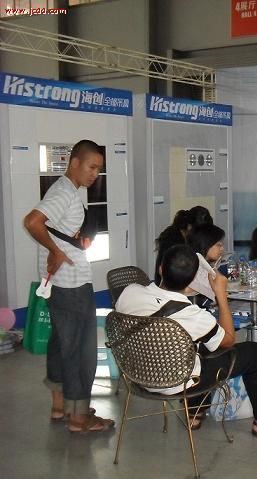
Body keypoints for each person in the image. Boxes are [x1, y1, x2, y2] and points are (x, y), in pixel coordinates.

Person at [116, 245, 257, 436]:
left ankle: (195, 412)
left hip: (137, 375)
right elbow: (227, 341)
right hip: (176, 383)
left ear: (161, 268)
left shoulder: (129, 292)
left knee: (199, 347)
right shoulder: (191, 315)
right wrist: (221, 295)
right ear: (191, 281)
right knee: (254, 352)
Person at [23, 139, 114, 433]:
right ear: (74, 162)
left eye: (98, 169)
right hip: (71, 285)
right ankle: (78, 417)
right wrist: (56, 251)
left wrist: (63, 244)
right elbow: (33, 222)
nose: (95, 174)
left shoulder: (67, 191)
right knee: (80, 349)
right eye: (91, 167)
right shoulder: (64, 191)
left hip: (60, 283)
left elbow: (52, 228)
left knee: (62, 342)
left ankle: (60, 405)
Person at [154, 209, 193, 285]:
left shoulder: (169, 233)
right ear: (188, 226)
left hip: (161, 280)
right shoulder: (177, 241)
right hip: (169, 282)